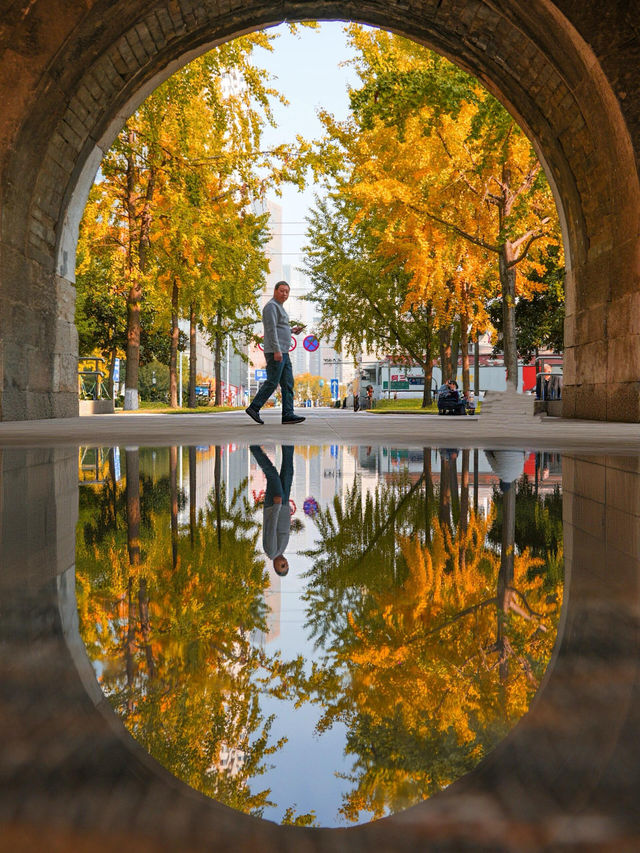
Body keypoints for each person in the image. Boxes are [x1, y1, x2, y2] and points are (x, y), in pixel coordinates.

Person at [246, 280, 305, 425]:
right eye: (282, 291)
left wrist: (291, 331)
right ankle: (254, 407)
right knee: (272, 382)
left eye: (287, 292)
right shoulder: (271, 306)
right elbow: (271, 329)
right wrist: (277, 350)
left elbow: (279, 328)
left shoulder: (279, 307)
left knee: (288, 383)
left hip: (284, 351)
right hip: (276, 352)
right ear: (275, 291)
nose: (284, 294)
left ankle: (288, 414)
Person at [250, 445, 294, 576]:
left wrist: (277, 506)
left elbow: (271, 527)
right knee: (288, 473)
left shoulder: (271, 551)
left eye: (282, 566)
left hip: (275, 504)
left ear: (275, 566)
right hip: (283, 504)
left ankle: (254, 448)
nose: (285, 563)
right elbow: (284, 528)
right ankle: (288, 443)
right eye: (287, 565)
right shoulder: (281, 550)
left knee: (272, 475)